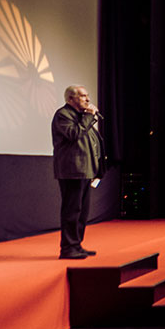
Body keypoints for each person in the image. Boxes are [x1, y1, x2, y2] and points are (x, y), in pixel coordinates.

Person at [52, 85, 106, 259]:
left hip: (85, 171)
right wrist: (89, 116)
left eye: (87, 95)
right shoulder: (63, 115)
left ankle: (77, 245)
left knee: (82, 212)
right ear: (70, 99)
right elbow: (74, 134)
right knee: (72, 210)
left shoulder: (82, 117)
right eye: (83, 96)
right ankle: (67, 248)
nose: (88, 99)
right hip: (72, 171)